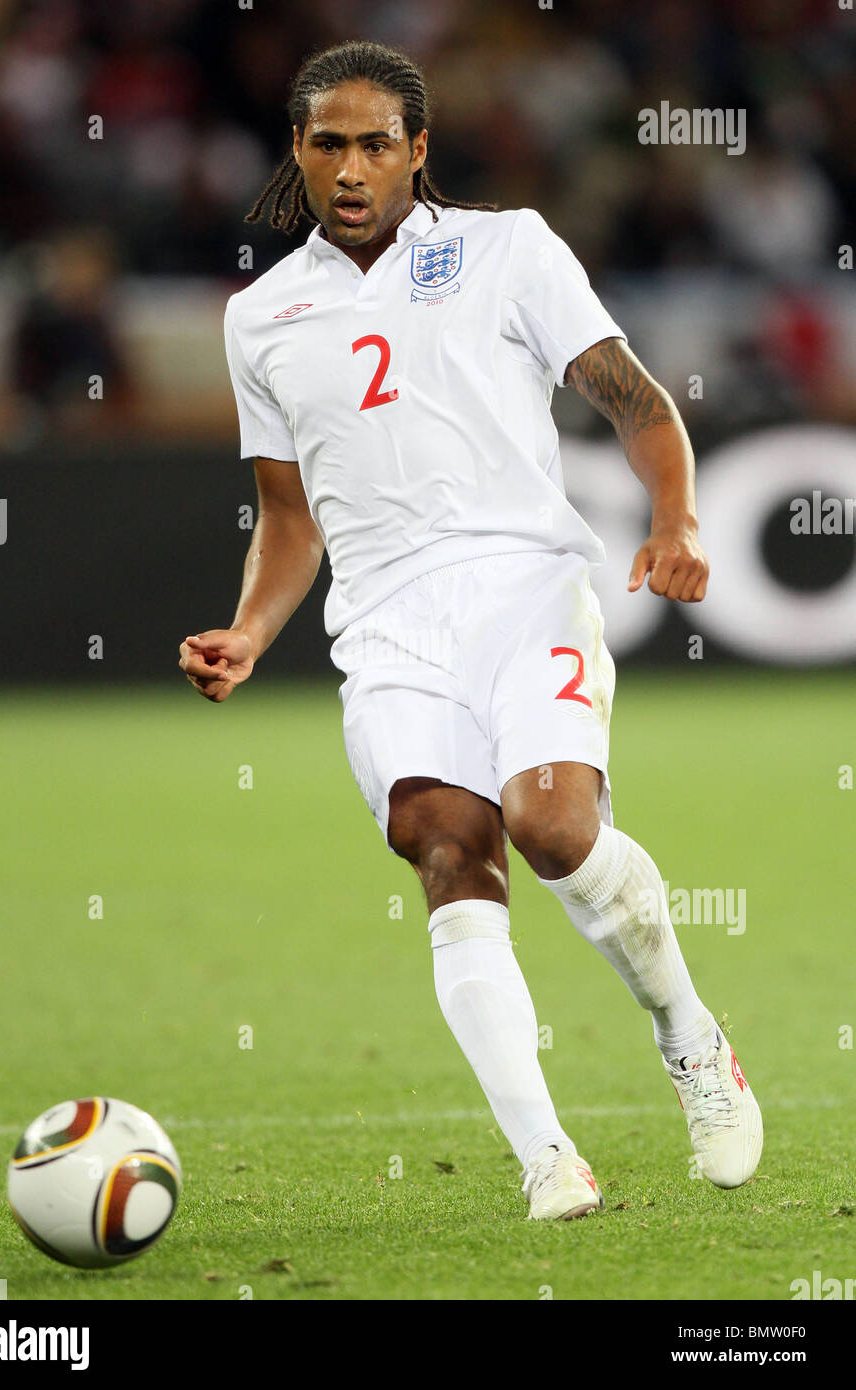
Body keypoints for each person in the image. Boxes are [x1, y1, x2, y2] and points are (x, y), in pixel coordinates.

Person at [178, 40, 762, 1221]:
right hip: (387, 625)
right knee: (444, 841)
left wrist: (679, 515)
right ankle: (549, 1157)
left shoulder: (507, 249)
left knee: (552, 825)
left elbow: (636, 399)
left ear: (418, 151)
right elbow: (288, 514)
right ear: (297, 149)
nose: (351, 168)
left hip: (523, 586)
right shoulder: (262, 316)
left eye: (375, 144)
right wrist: (249, 628)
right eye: (327, 143)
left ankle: (692, 1036)